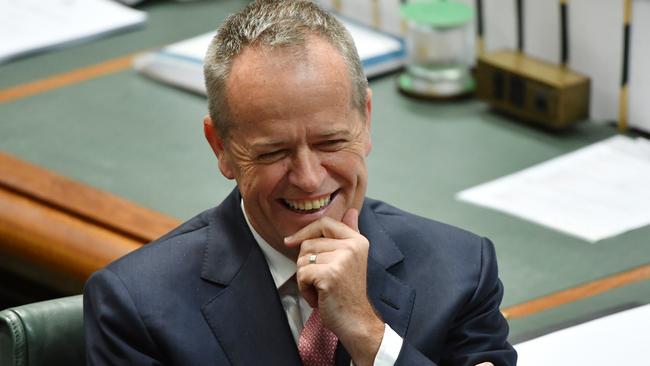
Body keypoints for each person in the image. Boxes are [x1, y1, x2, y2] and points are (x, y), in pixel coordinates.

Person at [83, 1, 517, 365]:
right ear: (221, 147)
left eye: (330, 142)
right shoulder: (136, 308)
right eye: (273, 152)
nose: (309, 179)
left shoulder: (461, 272)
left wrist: (368, 334)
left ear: (365, 121)